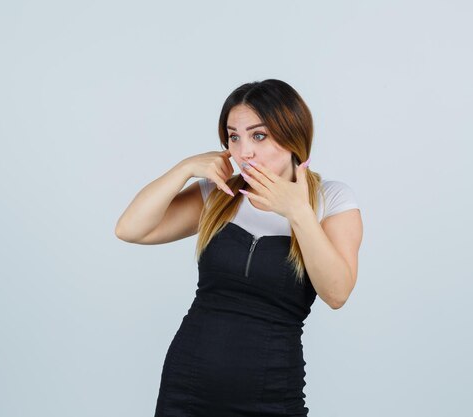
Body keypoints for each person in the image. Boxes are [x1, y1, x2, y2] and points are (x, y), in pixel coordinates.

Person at [114, 79, 363, 417]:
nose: (244, 151)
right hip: (187, 387)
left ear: (293, 135)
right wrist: (185, 168)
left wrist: (297, 212)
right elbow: (129, 229)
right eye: (234, 136)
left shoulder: (330, 200)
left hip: (272, 394)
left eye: (258, 135)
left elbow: (337, 293)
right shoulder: (219, 194)